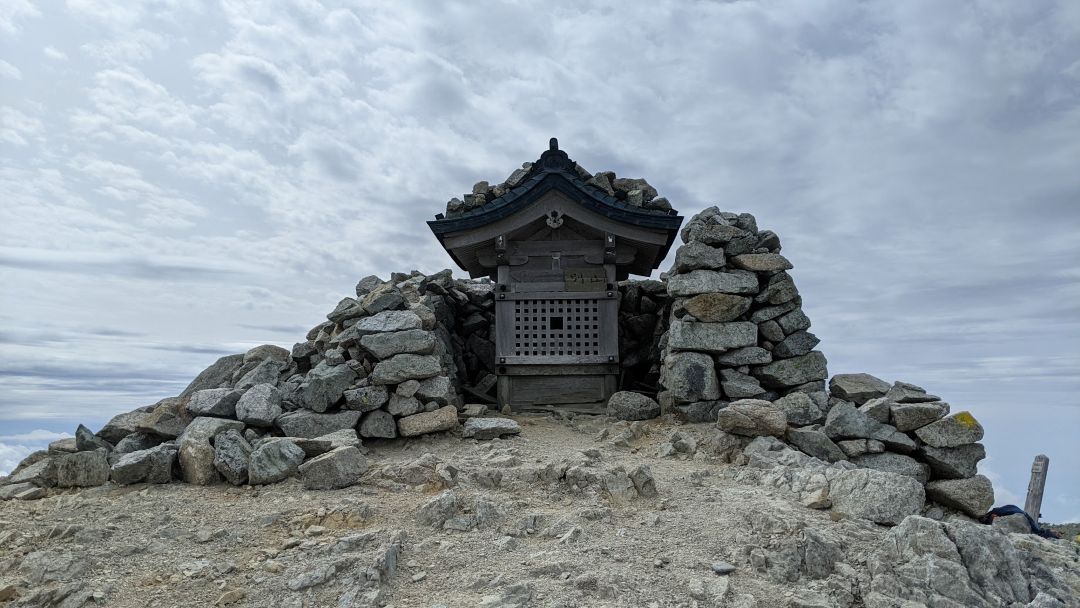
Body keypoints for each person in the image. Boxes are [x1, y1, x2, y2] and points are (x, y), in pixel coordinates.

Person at [978, 505, 1062, 539]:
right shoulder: (999, 511)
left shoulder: (997, 511)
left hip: (1019, 514)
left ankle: (1051, 533)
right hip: (1020, 514)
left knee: (1038, 530)